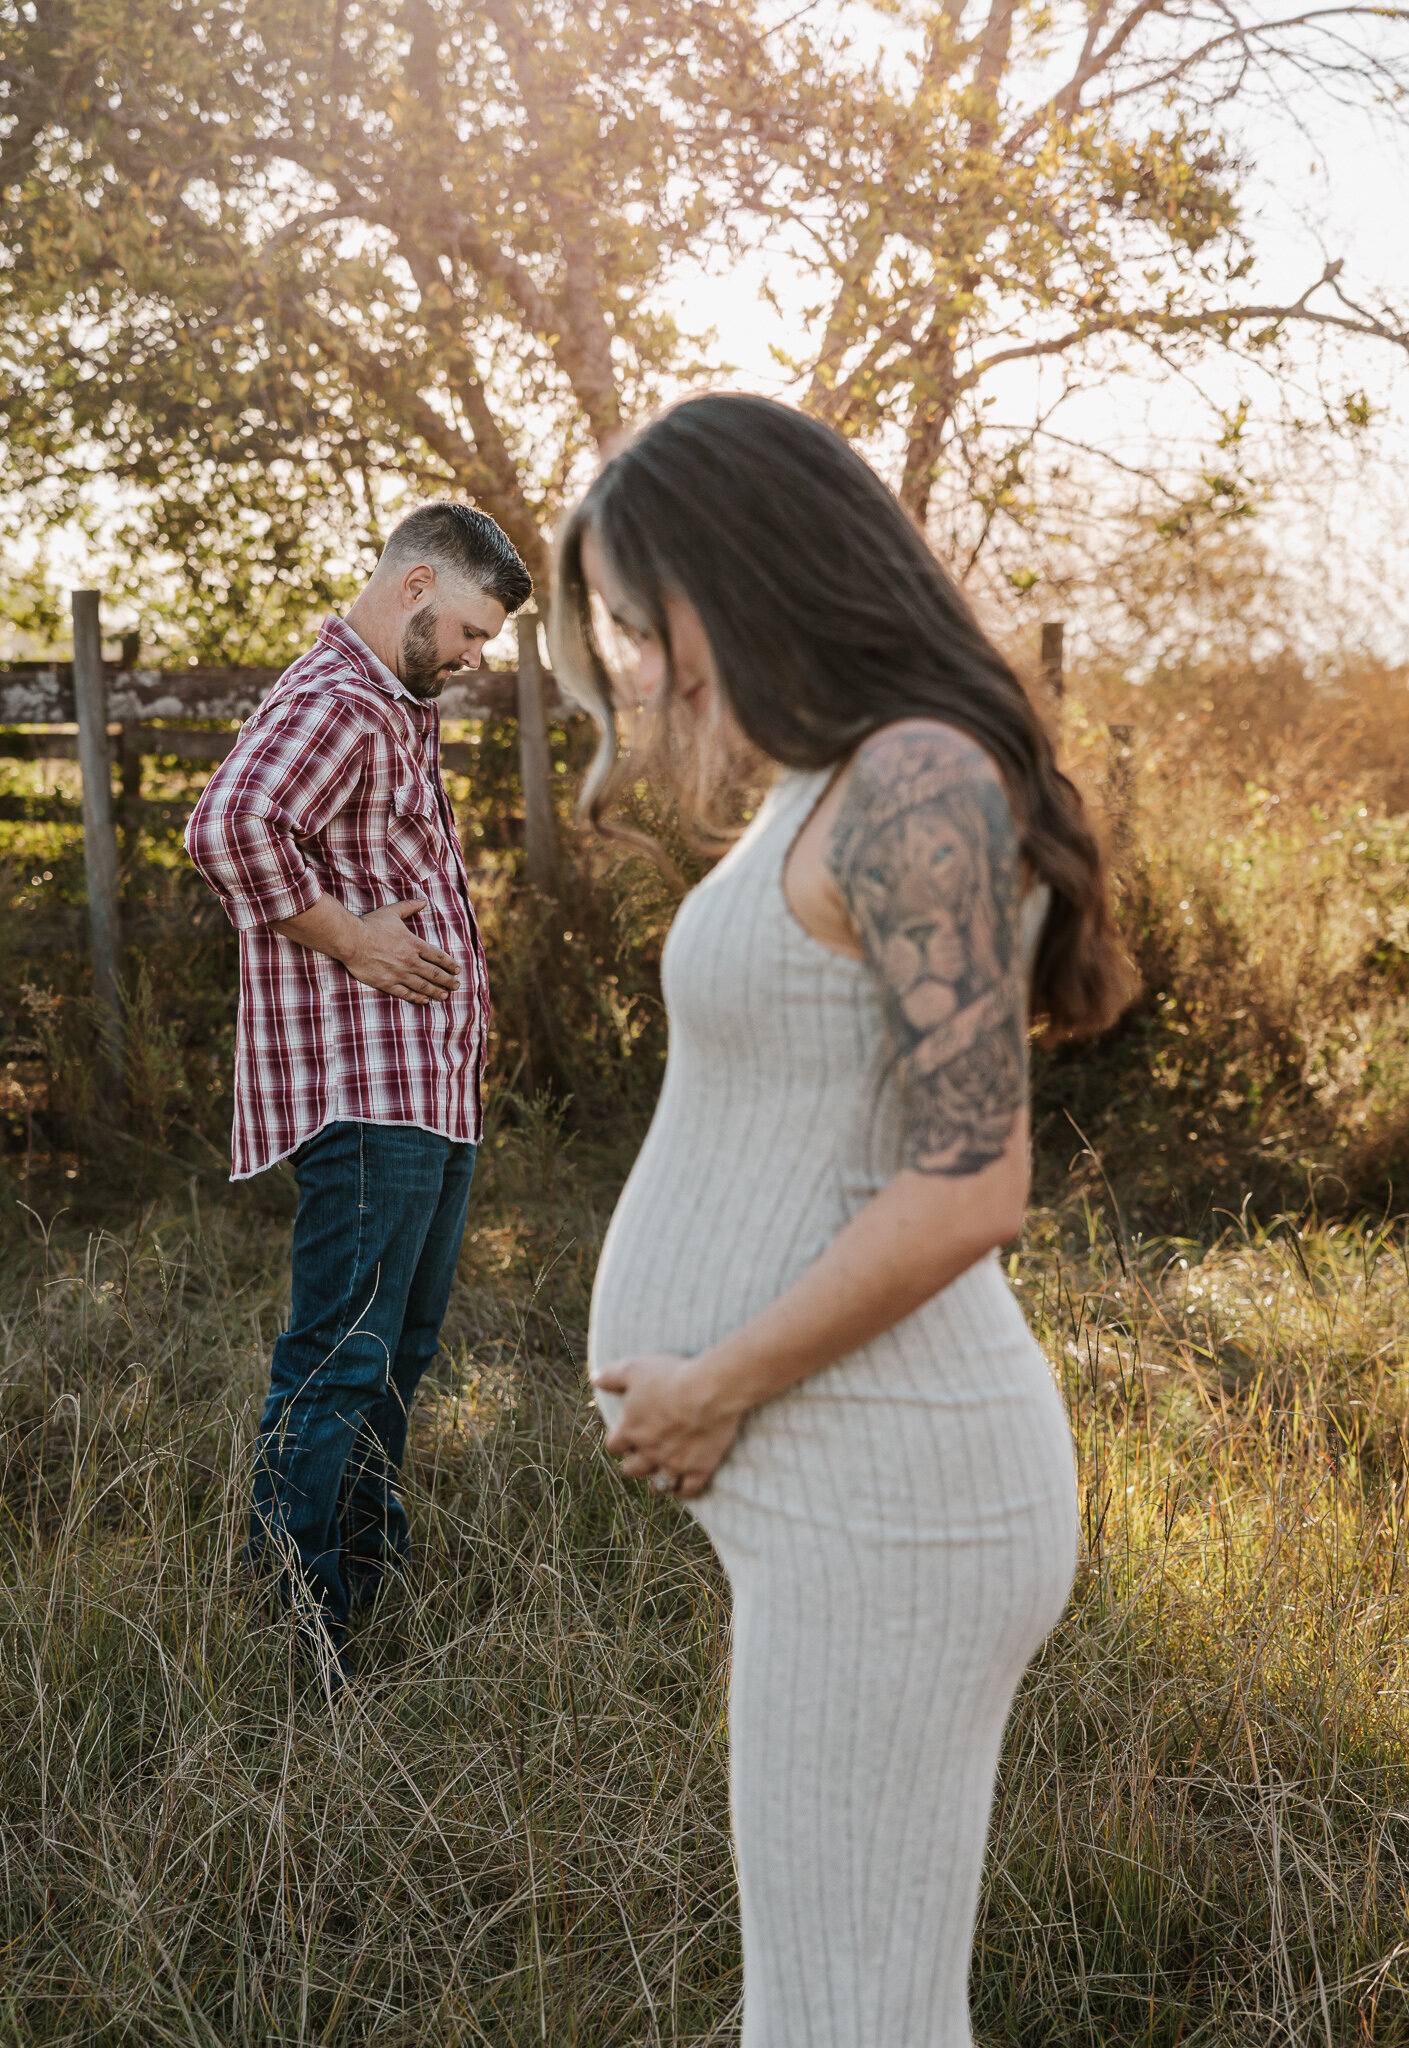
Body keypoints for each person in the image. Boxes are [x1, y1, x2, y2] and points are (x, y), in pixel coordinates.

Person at [551, 395, 1129, 2047]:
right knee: (826, 2001)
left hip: (893, 1480)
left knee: (851, 2018)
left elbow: (970, 1180)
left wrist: (717, 1378)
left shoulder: (914, 778)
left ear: (731, 572)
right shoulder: (830, 785)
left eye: (635, 616)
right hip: (837, 1486)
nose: (637, 664)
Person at [186, 503, 532, 1690]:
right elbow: (229, 825)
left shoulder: (391, 699)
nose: (476, 658)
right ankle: (299, 1637)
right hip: (367, 1088)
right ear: (415, 582)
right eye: (473, 630)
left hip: (426, 1087)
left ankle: (363, 1589)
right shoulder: (335, 696)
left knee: (398, 1349)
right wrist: (352, 941)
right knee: (339, 1354)